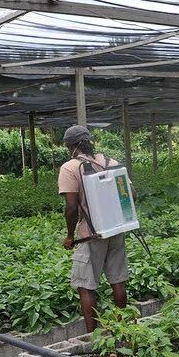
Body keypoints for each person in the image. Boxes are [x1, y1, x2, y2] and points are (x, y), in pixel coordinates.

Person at [58, 125, 130, 333]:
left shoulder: (70, 168)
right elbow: (130, 194)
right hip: (116, 228)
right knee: (117, 280)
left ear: (70, 146)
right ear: (89, 141)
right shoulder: (111, 162)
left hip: (89, 235)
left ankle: (92, 335)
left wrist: (70, 235)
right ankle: (122, 329)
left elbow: (71, 208)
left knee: (86, 284)